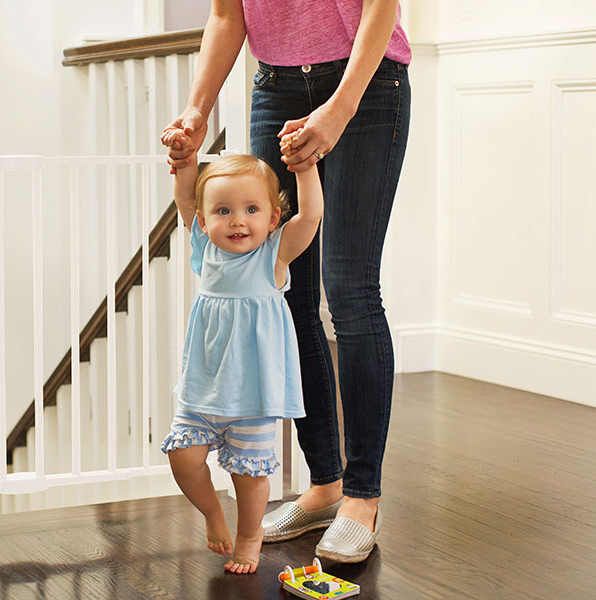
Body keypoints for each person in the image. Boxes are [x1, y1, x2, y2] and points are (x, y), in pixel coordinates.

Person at [161, 0, 411, 563]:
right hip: (276, 85)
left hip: (365, 82)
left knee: (349, 288)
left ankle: (361, 496)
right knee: (288, 295)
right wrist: (197, 110)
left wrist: (339, 108)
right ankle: (324, 484)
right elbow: (228, 16)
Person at [159, 137, 322, 574]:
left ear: (272, 219)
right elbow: (184, 197)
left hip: (251, 395)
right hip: (203, 388)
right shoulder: (206, 251)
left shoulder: (274, 255)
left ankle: (250, 536)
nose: (237, 221)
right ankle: (213, 513)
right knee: (184, 458)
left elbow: (310, 216)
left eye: (251, 210)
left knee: (248, 477)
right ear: (205, 219)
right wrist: (187, 161)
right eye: (223, 211)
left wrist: (305, 168)